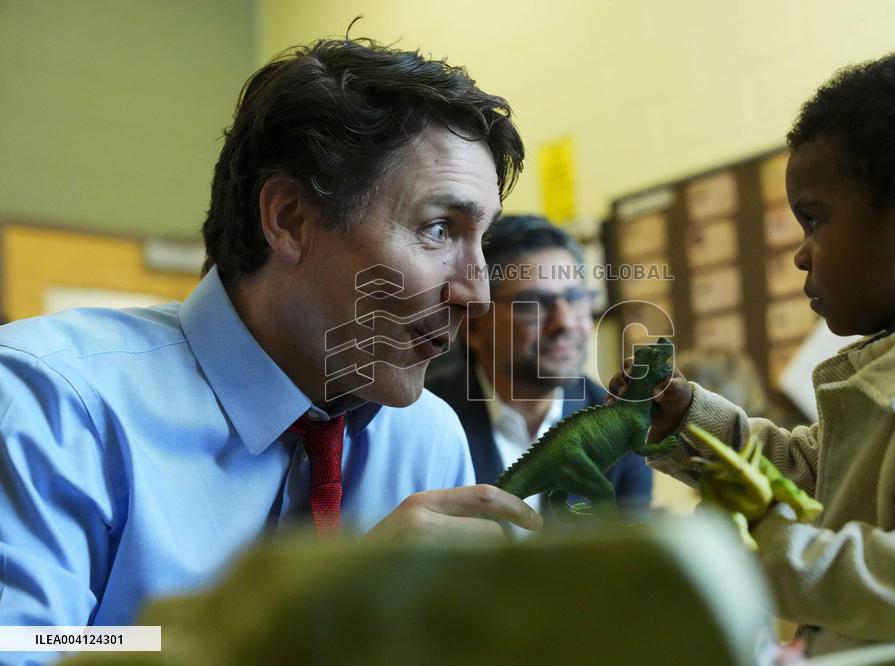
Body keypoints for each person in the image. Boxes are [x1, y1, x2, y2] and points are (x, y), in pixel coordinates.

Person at [0, 36, 541, 637]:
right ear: (289, 219)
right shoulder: (52, 405)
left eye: (483, 242)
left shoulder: (426, 438)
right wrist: (311, 618)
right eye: (439, 229)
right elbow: (29, 646)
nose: (477, 294)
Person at [611, 45, 895, 656]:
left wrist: (772, 548)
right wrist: (688, 424)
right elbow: (810, 476)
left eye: (814, 221)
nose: (799, 253)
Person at [426, 215, 652, 524]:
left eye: (575, 298)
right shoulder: (424, 421)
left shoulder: (620, 427)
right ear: (474, 327)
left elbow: (633, 547)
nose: (565, 322)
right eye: (534, 303)